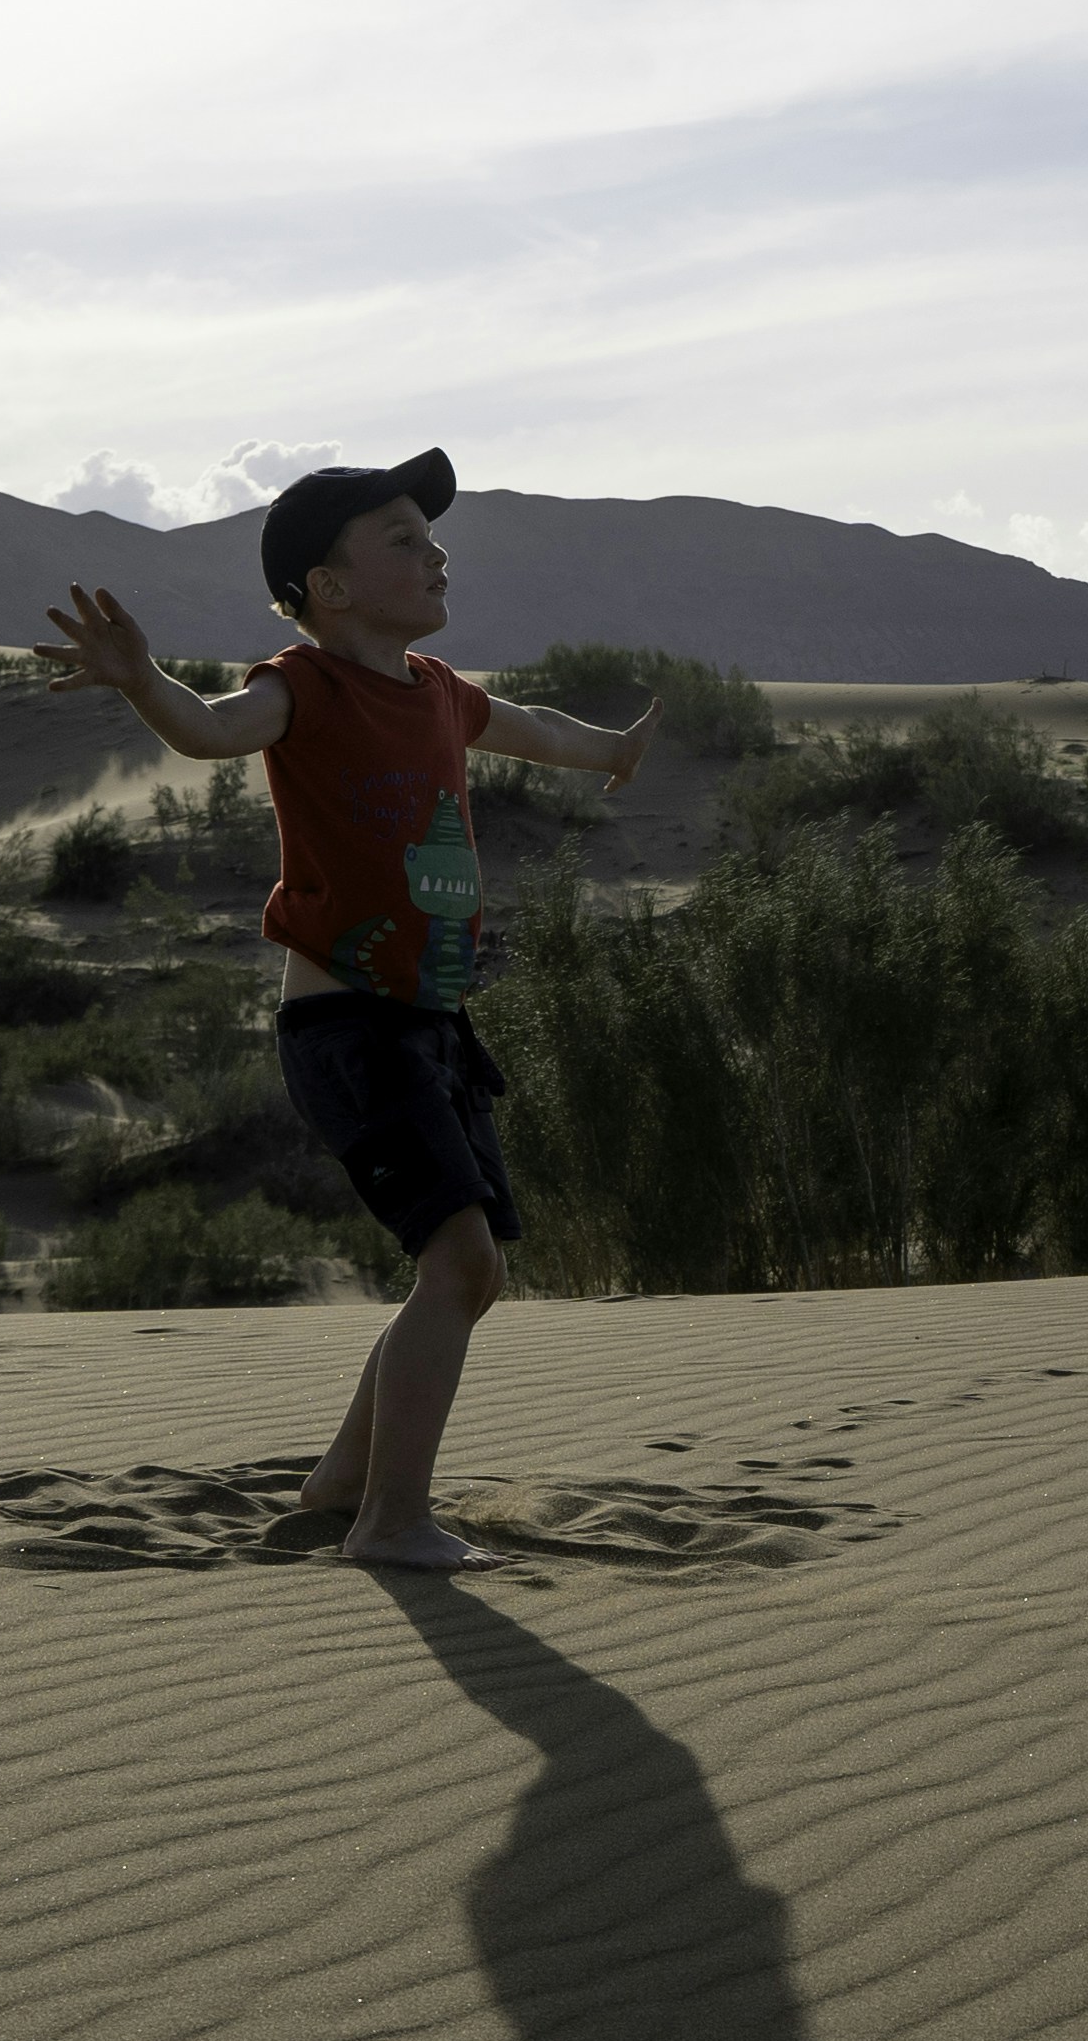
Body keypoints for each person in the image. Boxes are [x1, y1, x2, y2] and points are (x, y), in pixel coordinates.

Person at [41, 450, 645, 1571]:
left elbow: (538, 729)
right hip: (350, 1029)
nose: (436, 553)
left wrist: (612, 750)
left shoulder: (444, 694)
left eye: (433, 535)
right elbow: (212, 728)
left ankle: (342, 1482)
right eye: (405, 540)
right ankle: (390, 1523)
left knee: (471, 1271)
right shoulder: (302, 686)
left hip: (432, 1028)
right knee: (459, 1265)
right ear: (330, 586)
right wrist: (140, 679)